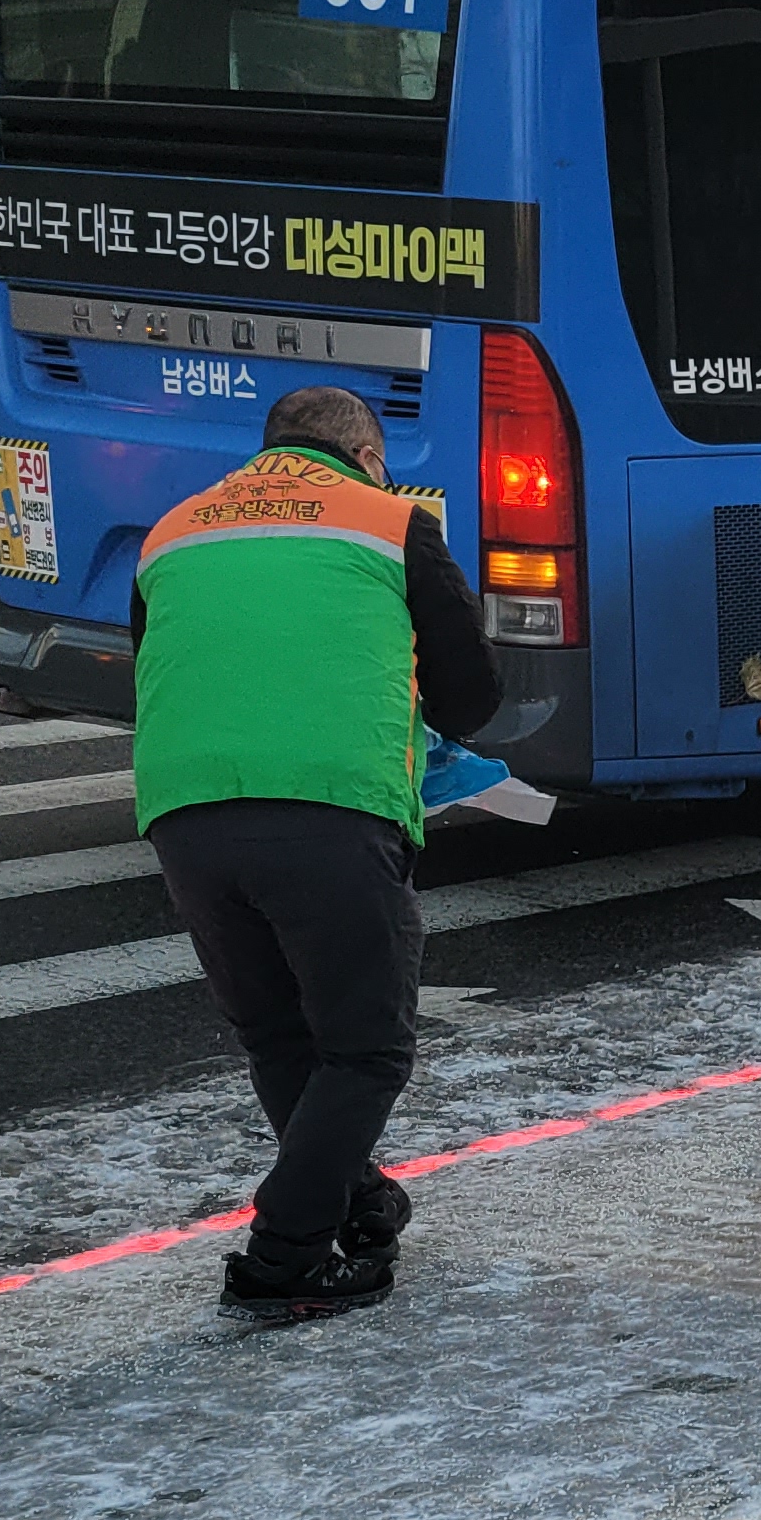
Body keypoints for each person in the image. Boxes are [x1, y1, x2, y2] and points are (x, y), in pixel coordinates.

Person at [134, 387, 500, 1320]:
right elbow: (473, 693)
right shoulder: (389, 522)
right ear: (367, 456)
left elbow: (160, 659)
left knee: (278, 1033)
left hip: (184, 812)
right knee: (367, 1047)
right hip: (331, 806)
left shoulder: (172, 530)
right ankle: (284, 1255)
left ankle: (356, 1199)